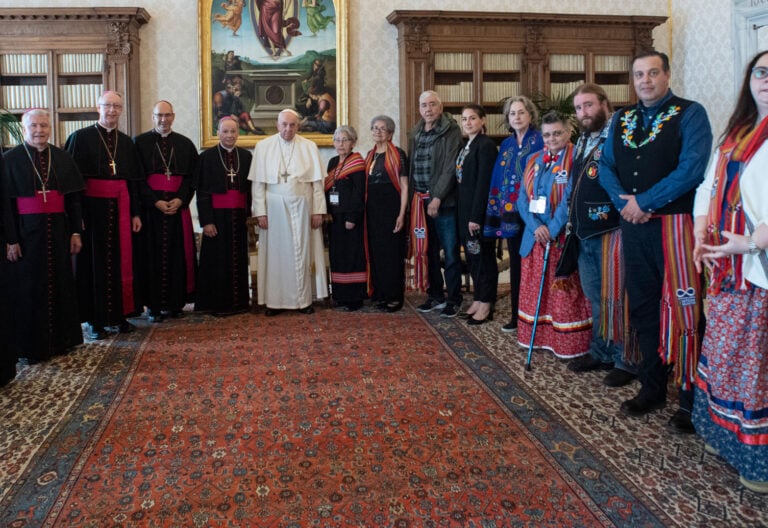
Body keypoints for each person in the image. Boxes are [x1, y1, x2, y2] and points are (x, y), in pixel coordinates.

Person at [599, 50, 712, 433]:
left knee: (685, 309)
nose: (645, 81)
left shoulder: (691, 113)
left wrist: (644, 202)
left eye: (652, 73)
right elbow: (607, 167)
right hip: (634, 228)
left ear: (666, 75)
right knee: (643, 307)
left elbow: (692, 169)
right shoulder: (621, 118)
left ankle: (691, 397)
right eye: (638, 75)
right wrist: (626, 205)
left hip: (676, 227)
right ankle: (652, 387)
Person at [691, 50, 768, 493]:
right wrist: (702, 232)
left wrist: (752, 243)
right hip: (724, 263)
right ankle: (724, 434)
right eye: (760, 72)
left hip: (757, 265)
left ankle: (756, 461)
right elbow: (709, 184)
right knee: (722, 354)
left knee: (753, 363)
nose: (766, 80)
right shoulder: (736, 131)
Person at [565, 84, 637, 388]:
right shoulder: (582, 139)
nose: (584, 113)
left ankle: (626, 360)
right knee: (597, 297)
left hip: (612, 230)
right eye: (579, 108)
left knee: (618, 298)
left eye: (589, 105)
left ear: (605, 104)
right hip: (584, 232)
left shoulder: (619, 136)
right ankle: (602, 350)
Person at [1, 109, 84, 363]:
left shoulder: (63, 157)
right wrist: (11, 239)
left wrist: (75, 232)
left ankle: (62, 340)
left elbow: (73, 199)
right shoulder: (9, 160)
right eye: (34, 126)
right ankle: (31, 346)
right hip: (26, 235)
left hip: (58, 232)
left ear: (51, 128)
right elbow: (4, 205)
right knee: (28, 288)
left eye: (44, 126)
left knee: (61, 283)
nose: (39, 130)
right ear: (24, 129)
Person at [65, 90, 144, 340]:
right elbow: (73, 184)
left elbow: (133, 182)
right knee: (93, 265)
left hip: (120, 209)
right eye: (107, 105)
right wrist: (77, 219)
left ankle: (119, 316)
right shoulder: (79, 138)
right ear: (97, 107)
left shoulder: (126, 142)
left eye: (117, 107)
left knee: (121, 263)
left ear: (121, 110)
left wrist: (135, 214)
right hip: (92, 212)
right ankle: (95, 321)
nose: (112, 111)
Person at [516, 111, 592, 358]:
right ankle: (538, 339)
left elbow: (570, 198)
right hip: (535, 237)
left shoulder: (576, 158)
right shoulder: (534, 159)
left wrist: (552, 228)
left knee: (562, 294)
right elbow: (521, 200)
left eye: (557, 133)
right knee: (536, 288)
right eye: (547, 134)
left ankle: (566, 344)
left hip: (560, 238)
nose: (552, 138)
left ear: (569, 132)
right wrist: (536, 226)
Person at [248, 108, 327, 315]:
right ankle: (274, 302)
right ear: (277, 125)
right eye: (284, 125)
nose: (288, 129)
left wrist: (318, 211)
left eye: (292, 125)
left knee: (301, 251)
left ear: (298, 126)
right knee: (275, 255)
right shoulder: (263, 146)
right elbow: (258, 184)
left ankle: (303, 301)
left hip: (303, 204)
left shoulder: (309, 146)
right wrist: (260, 213)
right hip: (273, 207)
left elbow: (317, 184)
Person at [133, 101, 199, 322]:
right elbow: (137, 179)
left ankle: (175, 303)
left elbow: (191, 178)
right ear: (153, 117)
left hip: (177, 210)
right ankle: (153, 306)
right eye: (159, 115)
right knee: (150, 257)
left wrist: (181, 199)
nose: (163, 119)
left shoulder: (185, 144)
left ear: (174, 116)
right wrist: (155, 202)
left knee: (177, 256)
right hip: (151, 212)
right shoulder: (139, 143)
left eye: (167, 115)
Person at [484, 96, 543, 333]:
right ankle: (517, 316)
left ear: (530, 115)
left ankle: (535, 316)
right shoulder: (507, 144)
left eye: (521, 112)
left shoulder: (540, 140)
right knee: (517, 265)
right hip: (510, 213)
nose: (516, 117)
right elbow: (499, 177)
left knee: (533, 265)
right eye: (512, 114)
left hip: (533, 214)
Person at [408, 90, 463, 317]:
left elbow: (450, 166)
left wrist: (437, 197)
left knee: (450, 252)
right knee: (427, 251)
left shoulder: (451, 131)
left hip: (444, 202)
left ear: (440, 107)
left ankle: (454, 298)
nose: (428, 109)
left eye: (432, 104)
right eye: (424, 105)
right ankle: (435, 295)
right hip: (420, 201)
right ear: (419, 109)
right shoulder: (415, 132)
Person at [193, 117, 252, 316]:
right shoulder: (207, 157)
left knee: (238, 258)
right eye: (225, 132)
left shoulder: (246, 156)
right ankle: (218, 304)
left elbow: (251, 191)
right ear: (218, 133)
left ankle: (240, 302)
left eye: (233, 132)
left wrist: (250, 216)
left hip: (238, 217)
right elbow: (202, 193)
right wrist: (207, 221)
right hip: (216, 217)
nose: (229, 136)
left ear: (238, 133)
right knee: (217, 260)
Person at [456, 104, 498, 325]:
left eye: (472, 118)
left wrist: (475, 217)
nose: (468, 123)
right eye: (464, 119)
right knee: (473, 258)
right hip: (464, 212)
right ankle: (478, 297)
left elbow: (483, 184)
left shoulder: (486, 146)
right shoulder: (467, 145)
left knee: (483, 258)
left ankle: (486, 303)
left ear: (483, 120)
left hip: (477, 215)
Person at [364, 115, 408, 312]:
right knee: (377, 254)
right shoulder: (369, 156)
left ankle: (394, 296)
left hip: (392, 212)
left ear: (390, 132)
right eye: (374, 128)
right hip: (373, 214)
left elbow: (405, 187)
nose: (378, 132)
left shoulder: (398, 154)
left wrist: (401, 214)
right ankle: (380, 293)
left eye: (382, 128)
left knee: (392, 255)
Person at [324, 126, 366, 311]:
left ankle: (354, 297)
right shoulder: (332, 161)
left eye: (345, 140)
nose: (341, 144)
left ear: (353, 142)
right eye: (337, 140)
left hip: (350, 218)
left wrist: (352, 216)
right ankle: (340, 295)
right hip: (334, 217)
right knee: (338, 256)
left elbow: (359, 193)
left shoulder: (357, 162)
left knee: (351, 256)